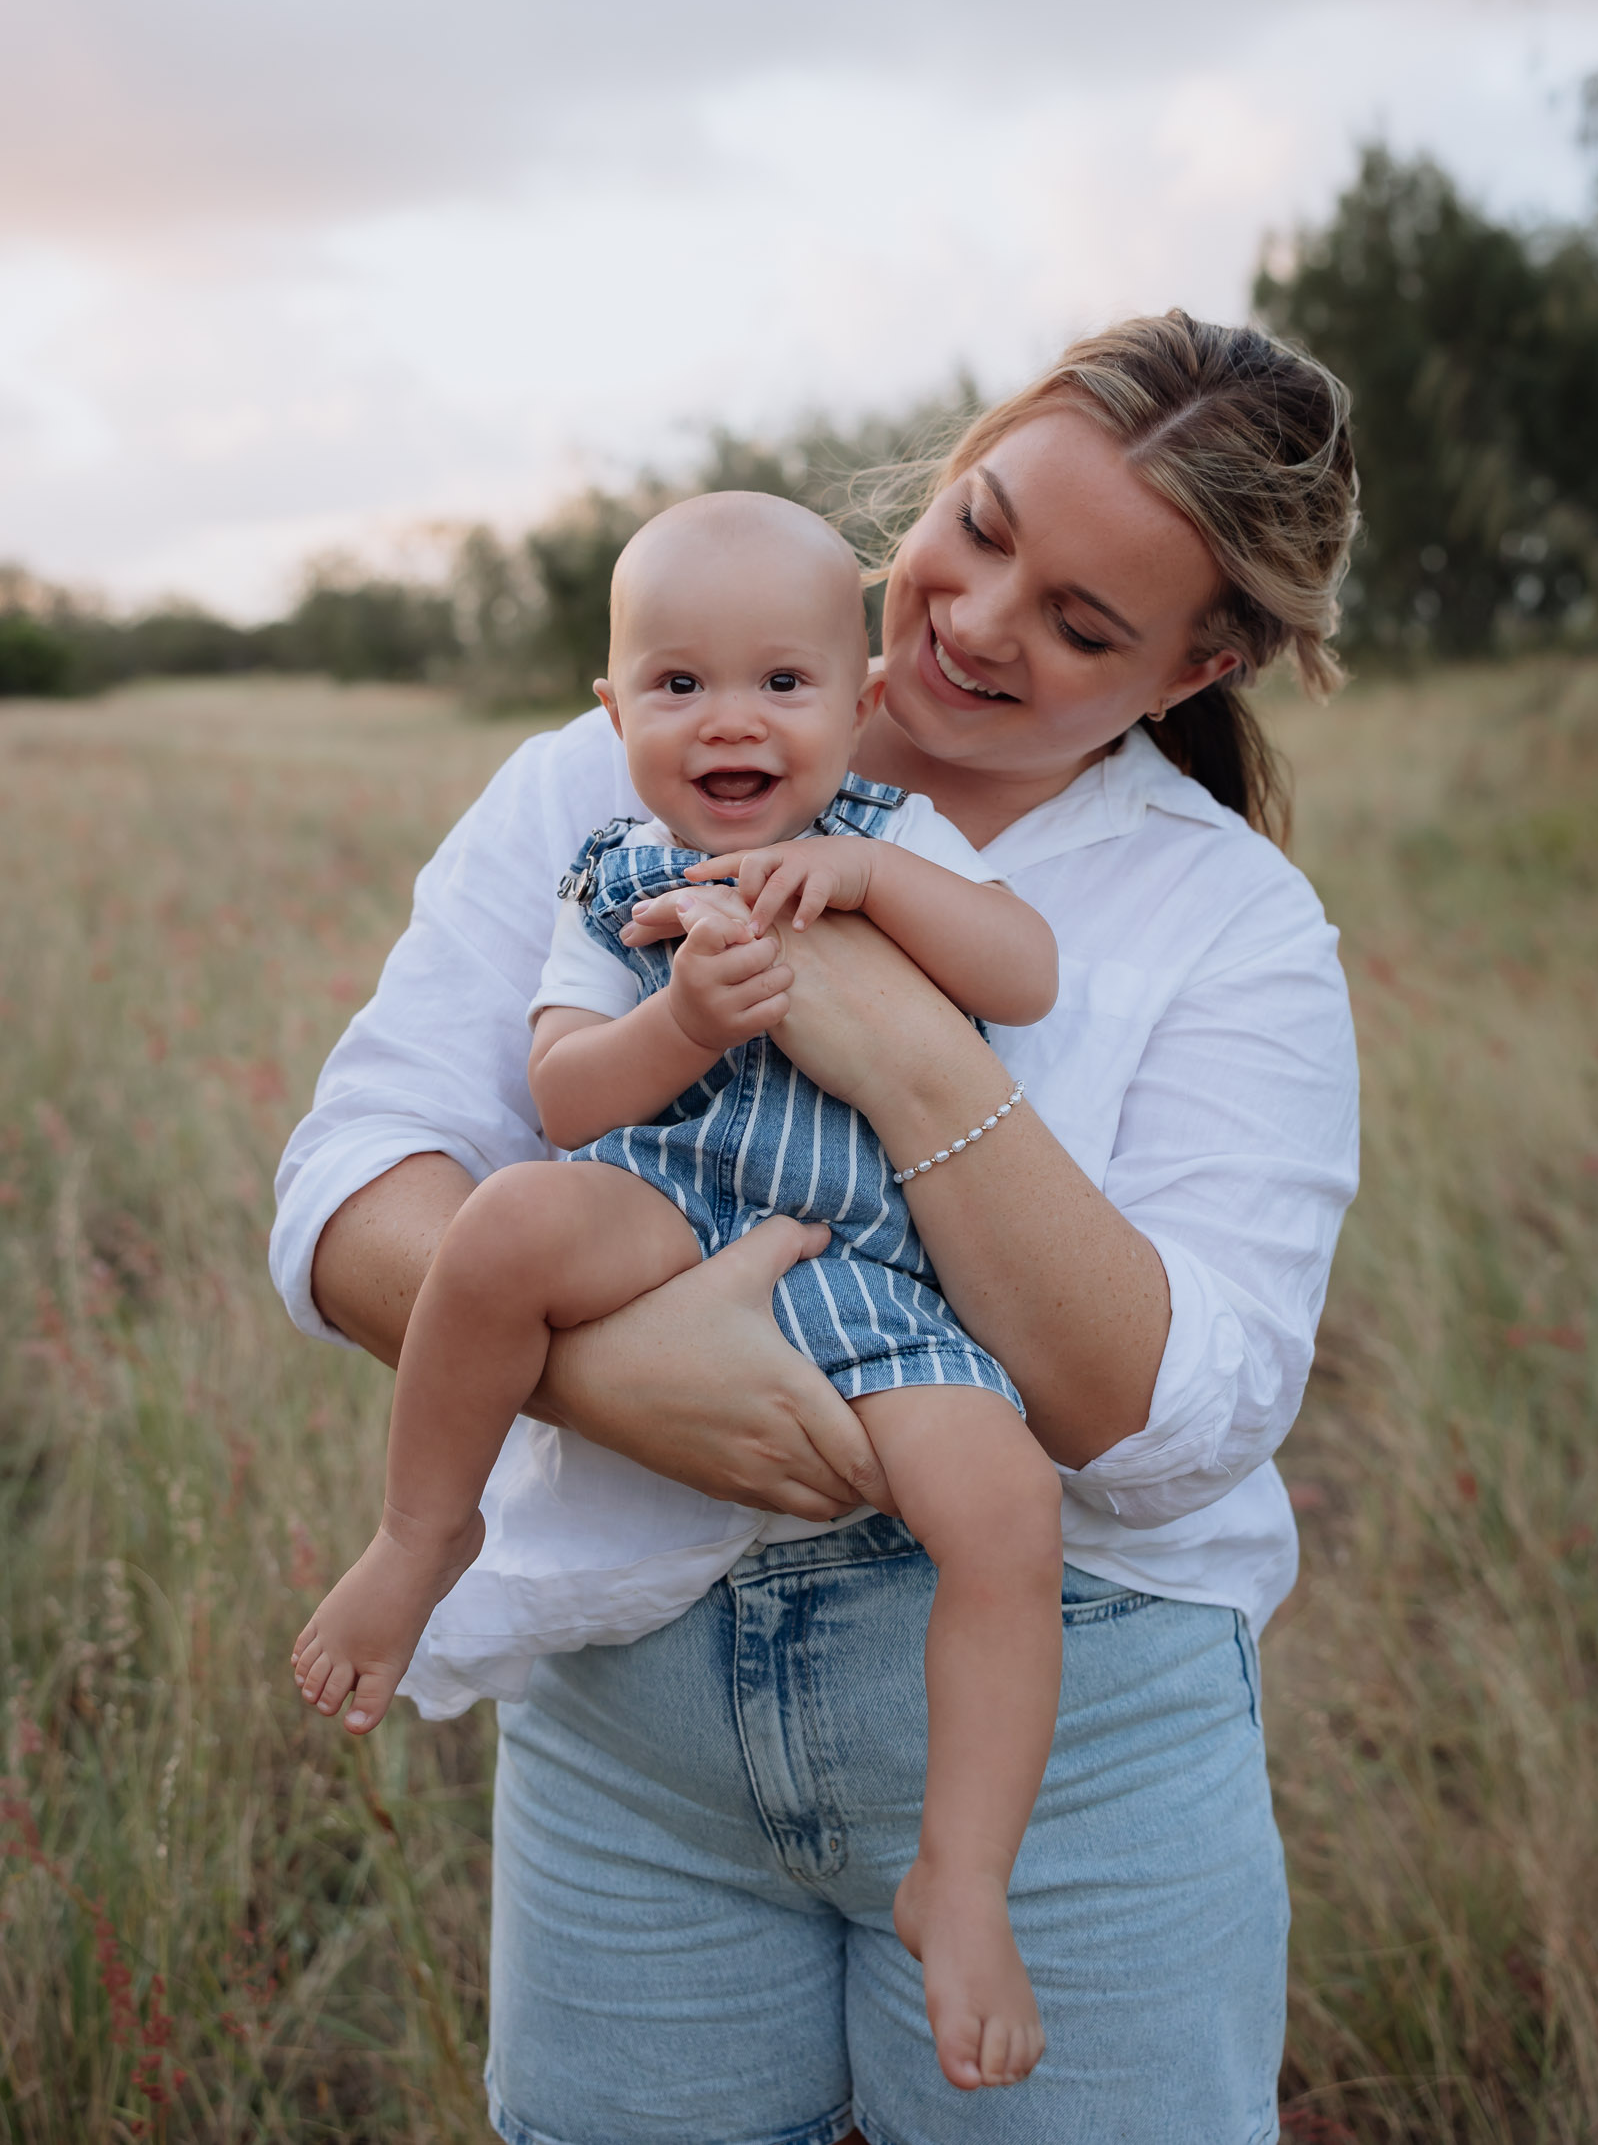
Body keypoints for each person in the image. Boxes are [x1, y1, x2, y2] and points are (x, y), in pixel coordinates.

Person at [272, 311, 1361, 2145]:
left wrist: (900, 1037)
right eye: (984, 526)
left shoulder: (1231, 923)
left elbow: (1172, 1424)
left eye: (1087, 624)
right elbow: (358, 1183)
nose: (979, 619)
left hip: (1067, 1746)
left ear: (1207, 659)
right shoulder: (611, 774)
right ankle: (416, 1540)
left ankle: (964, 1881)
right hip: (636, 1734)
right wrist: (624, 1381)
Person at [293, 490, 1064, 2088]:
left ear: (858, 699)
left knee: (1005, 1513)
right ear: (613, 710)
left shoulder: (894, 838)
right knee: (505, 1225)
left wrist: (865, 890)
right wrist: (685, 1024)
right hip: (670, 1203)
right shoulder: (609, 868)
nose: (733, 722)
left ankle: (963, 1876)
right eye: (679, 686)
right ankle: (422, 1534)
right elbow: (569, 1094)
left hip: (868, 1261)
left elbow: (1022, 972)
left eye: (784, 684)